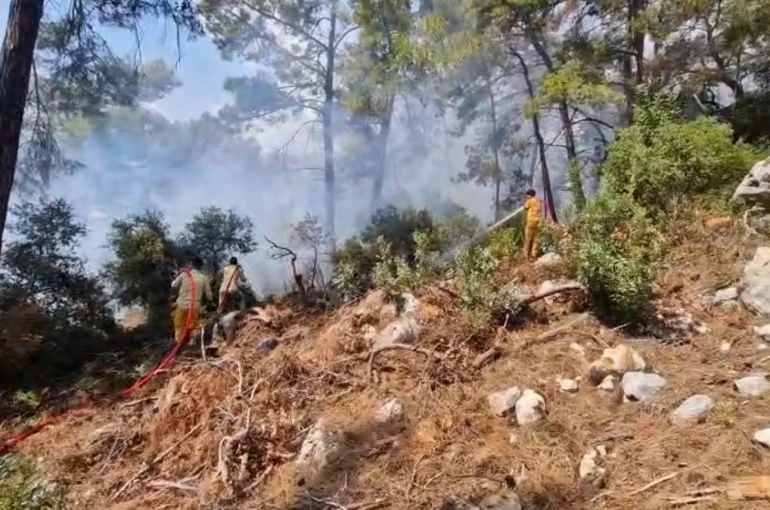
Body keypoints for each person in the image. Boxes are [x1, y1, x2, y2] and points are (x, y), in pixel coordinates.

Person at [170, 255, 213, 343]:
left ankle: (179, 343)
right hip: (195, 306)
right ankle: (192, 342)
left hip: (182, 304)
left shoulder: (184, 274)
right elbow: (209, 295)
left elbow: (173, 285)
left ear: (191, 264)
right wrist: (210, 302)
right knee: (193, 326)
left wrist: (178, 275)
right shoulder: (203, 278)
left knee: (179, 324)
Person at [523, 188, 543, 261]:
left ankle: (526, 255)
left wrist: (525, 206)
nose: (526, 196)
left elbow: (525, 207)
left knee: (528, 239)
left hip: (530, 222)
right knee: (536, 239)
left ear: (529, 195)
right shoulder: (538, 200)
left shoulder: (529, 201)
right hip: (538, 222)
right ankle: (534, 253)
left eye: (527, 195)